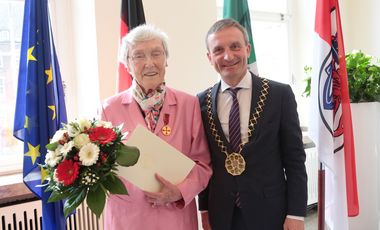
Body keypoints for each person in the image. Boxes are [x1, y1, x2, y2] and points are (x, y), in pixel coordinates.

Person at [197, 19, 308, 230]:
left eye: (235, 46)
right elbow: (203, 162)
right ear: (209, 57)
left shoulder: (279, 95)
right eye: (218, 50)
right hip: (222, 214)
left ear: (247, 49)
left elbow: (294, 159)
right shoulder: (200, 102)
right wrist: (204, 209)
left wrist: (296, 213)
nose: (228, 56)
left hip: (271, 211)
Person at [100, 24, 212, 230]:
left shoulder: (190, 104)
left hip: (175, 219)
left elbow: (203, 164)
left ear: (166, 60)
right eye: (139, 56)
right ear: (127, 64)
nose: (149, 63)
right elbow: (101, 167)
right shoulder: (109, 108)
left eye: (156, 53)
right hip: (127, 219)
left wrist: (180, 191)